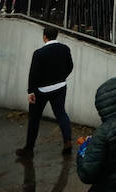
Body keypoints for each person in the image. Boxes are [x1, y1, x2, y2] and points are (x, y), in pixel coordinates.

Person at [17, 26, 74, 158]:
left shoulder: (39, 53)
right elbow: (70, 66)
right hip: (60, 87)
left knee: (34, 119)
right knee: (61, 114)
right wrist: (62, 77)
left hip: (41, 90)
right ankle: (67, 142)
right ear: (56, 35)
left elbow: (34, 74)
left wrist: (31, 92)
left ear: (44, 37)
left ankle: (29, 149)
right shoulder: (65, 49)